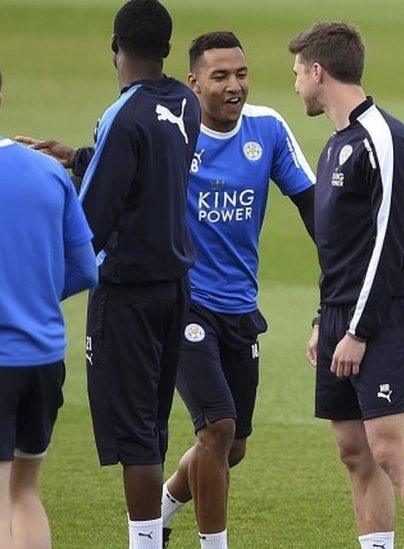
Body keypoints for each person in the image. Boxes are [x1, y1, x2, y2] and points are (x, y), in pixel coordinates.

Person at [18, 2, 202, 546]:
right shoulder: (185, 103)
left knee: (135, 439)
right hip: (174, 289)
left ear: (113, 44)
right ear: (168, 49)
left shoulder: (121, 113)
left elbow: (91, 220)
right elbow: (146, 168)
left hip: (126, 296)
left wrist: (44, 190)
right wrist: (79, 157)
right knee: (153, 427)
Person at [155, 31, 317, 549]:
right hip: (184, 302)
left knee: (232, 447)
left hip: (240, 307)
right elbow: (125, 173)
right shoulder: (173, 134)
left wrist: (341, 273)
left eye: (241, 74)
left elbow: (315, 207)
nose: (234, 86)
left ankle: (157, 514)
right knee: (218, 428)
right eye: (220, 76)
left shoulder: (267, 129)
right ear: (194, 81)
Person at [291, 21, 404, 549]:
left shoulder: (386, 137)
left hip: (380, 318)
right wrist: (323, 318)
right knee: (353, 450)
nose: (295, 86)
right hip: (340, 315)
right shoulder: (336, 144)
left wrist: (357, 329)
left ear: (319, 72)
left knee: (390, 449)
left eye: (297, 73)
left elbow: (390, 243)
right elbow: (342, 246)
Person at [0, 65, 98, 549]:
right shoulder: (47, 171)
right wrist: (31, 295)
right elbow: (86, 270)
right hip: (42, 360)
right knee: (23, 492)